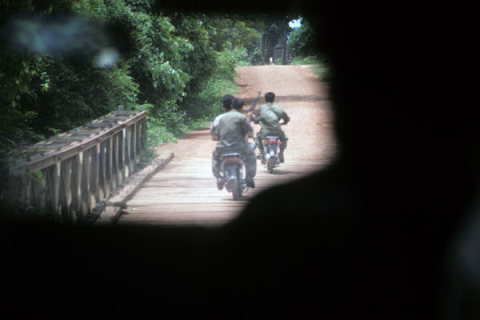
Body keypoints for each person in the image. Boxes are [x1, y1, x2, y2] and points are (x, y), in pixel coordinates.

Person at [211, 97, 256, 189]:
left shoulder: (222, 118)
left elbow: (217, 133)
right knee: (251, 156)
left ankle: (219, 177)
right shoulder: (242, 117)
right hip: (240, 146)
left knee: (215, 157)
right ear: (242, 107)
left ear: (232, 106)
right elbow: (248, 130)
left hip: (223, 146)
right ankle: (249, 177)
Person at [253, 91, 290, 163]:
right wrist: (284, 122)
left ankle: (261, 152)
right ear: (274, 99)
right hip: (277, 132)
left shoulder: (261, 108)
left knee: (256, 137)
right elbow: (287, 119)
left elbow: (256, 118)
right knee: (284, 138)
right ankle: (281, 153)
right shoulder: (279, 109)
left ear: (265, 99)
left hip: (265, 132)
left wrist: (257, 122)